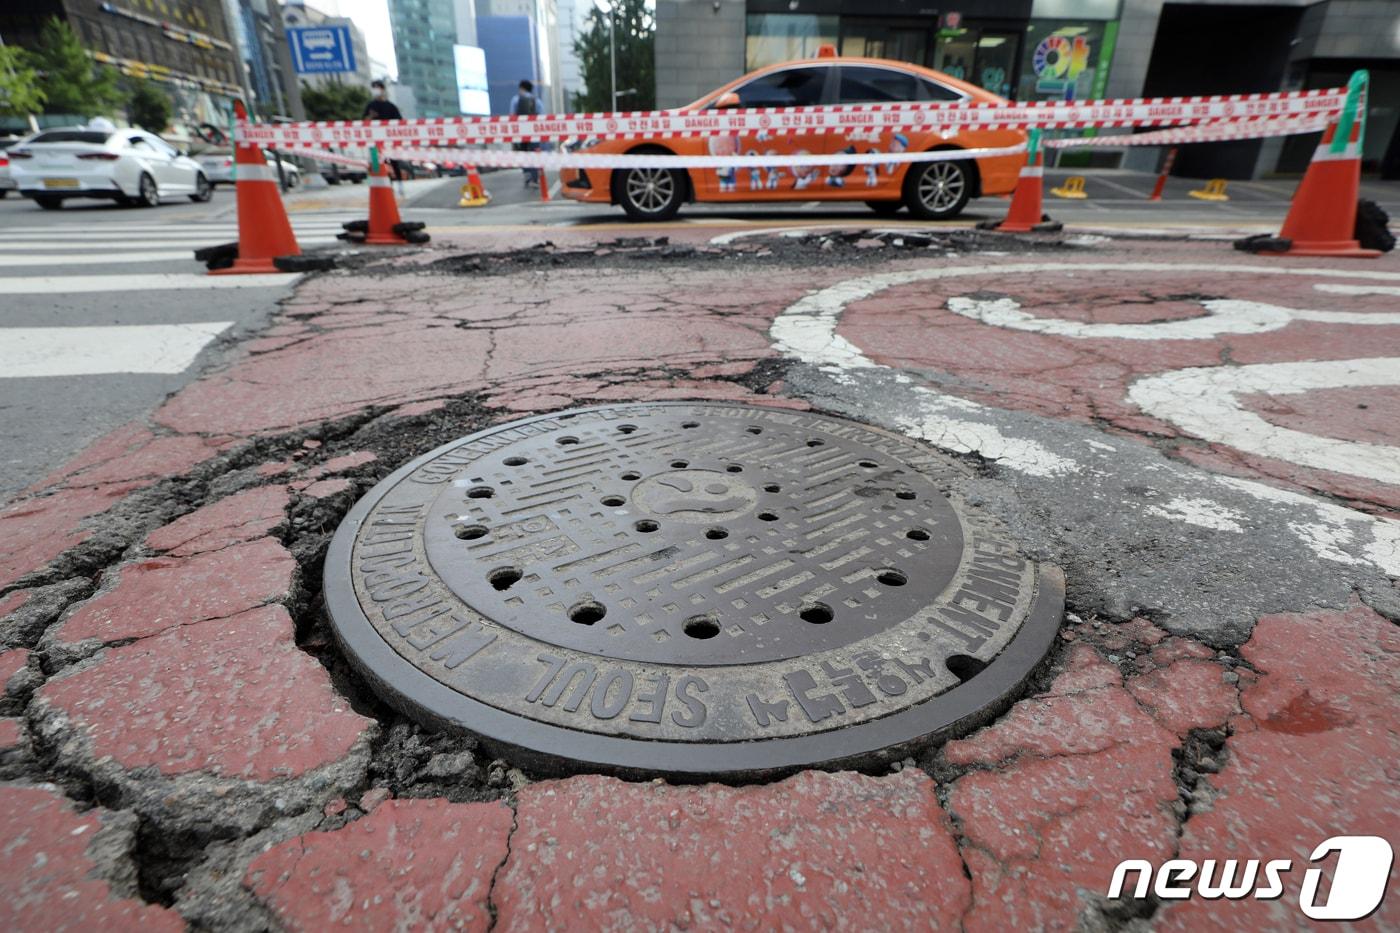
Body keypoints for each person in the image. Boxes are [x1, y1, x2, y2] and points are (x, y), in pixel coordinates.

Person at [363, 80, 406, 181]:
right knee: (376, 162)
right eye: (374, 88)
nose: (375, 90)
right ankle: (379, 182)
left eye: (377, 88)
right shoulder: (370, 106)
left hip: (389, 140)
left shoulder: (390, 106)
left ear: (383, 90)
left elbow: (399, 121)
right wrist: (370, 116)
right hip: (374, 141)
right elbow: (364, 121)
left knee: (393, 161)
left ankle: (397, 182)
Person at [509, 79, 540, 187]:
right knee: (535, 154)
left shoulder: (515, 99)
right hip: (534, 132)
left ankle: (527, 175)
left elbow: (512, 116)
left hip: (521, 132)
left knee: (523, 153)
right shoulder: (537, 101)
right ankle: (534, 178)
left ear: (521, 88)